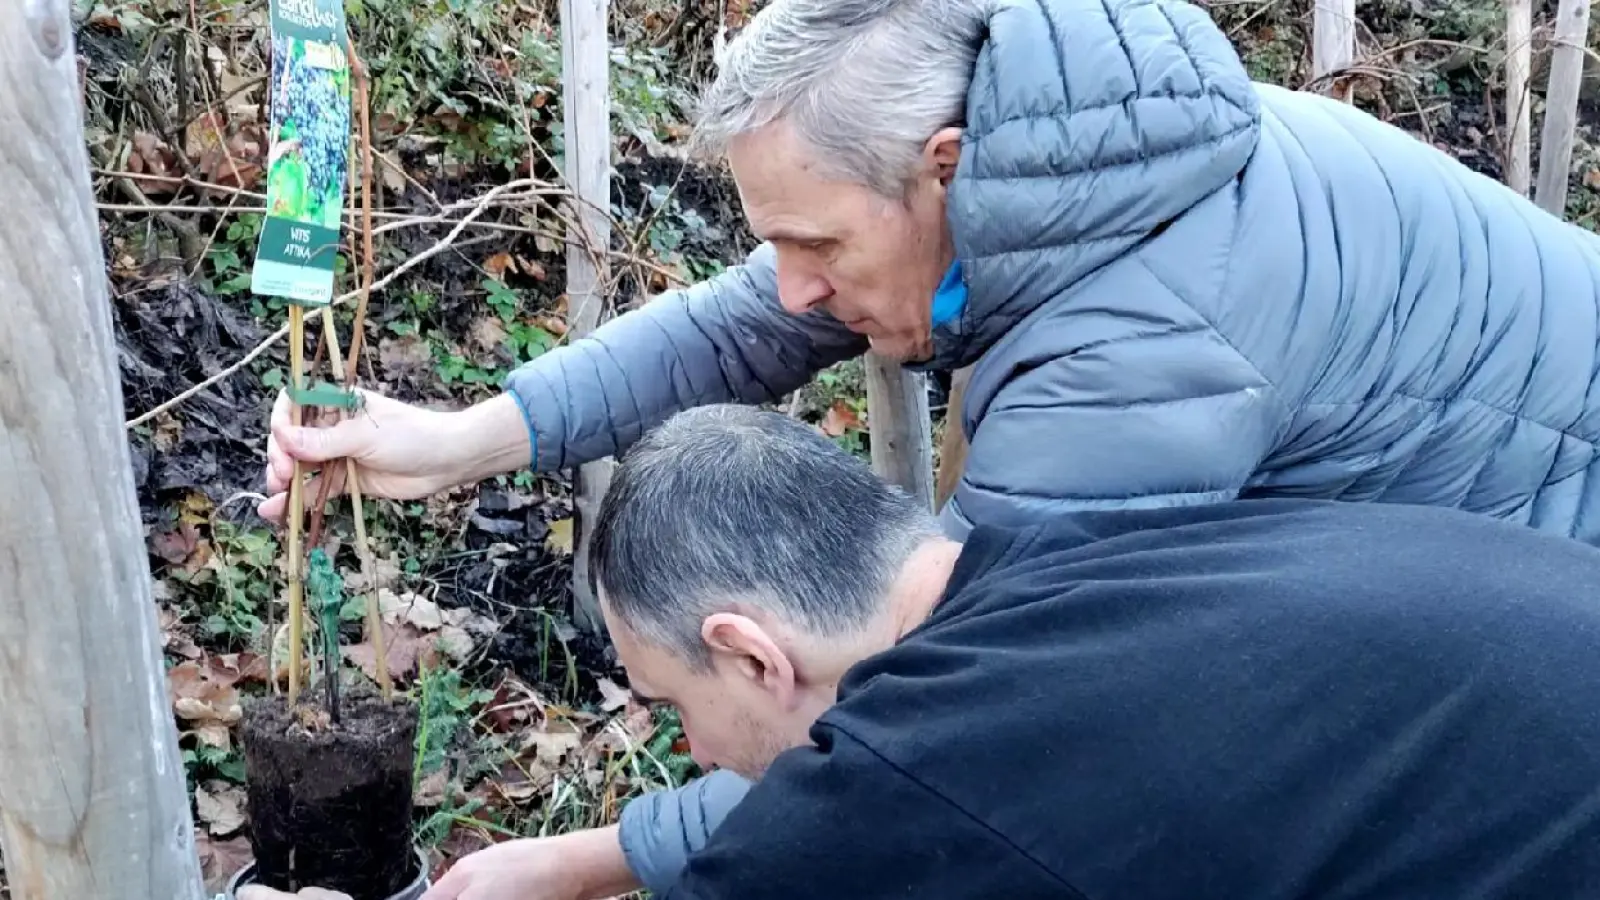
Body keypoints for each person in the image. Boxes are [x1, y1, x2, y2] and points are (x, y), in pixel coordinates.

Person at [254, 0, 1600, 892]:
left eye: (816, 243)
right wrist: (452, 441)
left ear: (944, 165)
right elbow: (747, 321)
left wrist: (589, 862)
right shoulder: (1078, 162)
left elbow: (975, 740)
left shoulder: (1133, 356)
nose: (789, 289)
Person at [245, 405, 1600, 900]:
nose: (695, 755)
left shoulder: (920, 776)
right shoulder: (1060, 566)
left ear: (753, 654)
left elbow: (847, 826)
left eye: (676, 707)